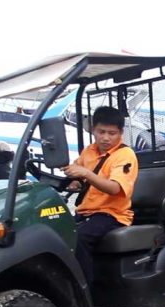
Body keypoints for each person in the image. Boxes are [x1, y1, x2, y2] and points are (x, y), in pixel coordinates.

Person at [61, 106, 139, 288]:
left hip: (112, 214)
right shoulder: (89, 151)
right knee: (57, 232)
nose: (106, 138)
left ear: (120, 133)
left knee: (79, 238)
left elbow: (114, 188)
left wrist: (85, 174)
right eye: (101, 132)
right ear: (93, 130)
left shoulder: (125, 155)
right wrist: (75, 181)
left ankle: (84, 291)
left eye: (112, 133)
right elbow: (81, 177)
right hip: (86, 212)